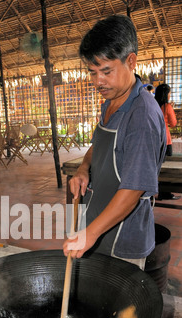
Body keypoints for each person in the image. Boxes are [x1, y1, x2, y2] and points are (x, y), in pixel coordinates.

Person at [63, 15, 166, 270]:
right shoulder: (111, 102)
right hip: (98, 227)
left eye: (106, 71)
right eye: (92, 72)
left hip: (122, 241)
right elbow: (99, 146)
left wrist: (90, 234)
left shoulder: (141, 115)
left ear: (131, 61)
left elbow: (133, 191)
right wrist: (83, 169)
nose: (98, 81)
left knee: (118, 308)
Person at [155, 83, 179, 200]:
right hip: (165, 138)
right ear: (166, 94)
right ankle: (165, 193)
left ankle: (156, 190)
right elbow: (173, 123)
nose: (170, 94)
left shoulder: (153, 105)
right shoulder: (167, 106)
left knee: (156, 165)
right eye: (169, 92)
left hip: (154, 138)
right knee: (166, 166)